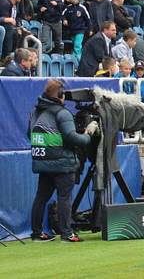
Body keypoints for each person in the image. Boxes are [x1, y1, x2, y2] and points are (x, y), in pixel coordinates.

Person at [29, 79, 99, 242]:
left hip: (43, 161)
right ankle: (67, 234)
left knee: (41, 197)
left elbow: (29, 134)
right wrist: (87, 134)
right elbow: (72, 138)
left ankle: (37, 233)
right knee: (64, 198)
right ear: (60, 95)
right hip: (62, 163)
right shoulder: (62, 113)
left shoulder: (35, 112)